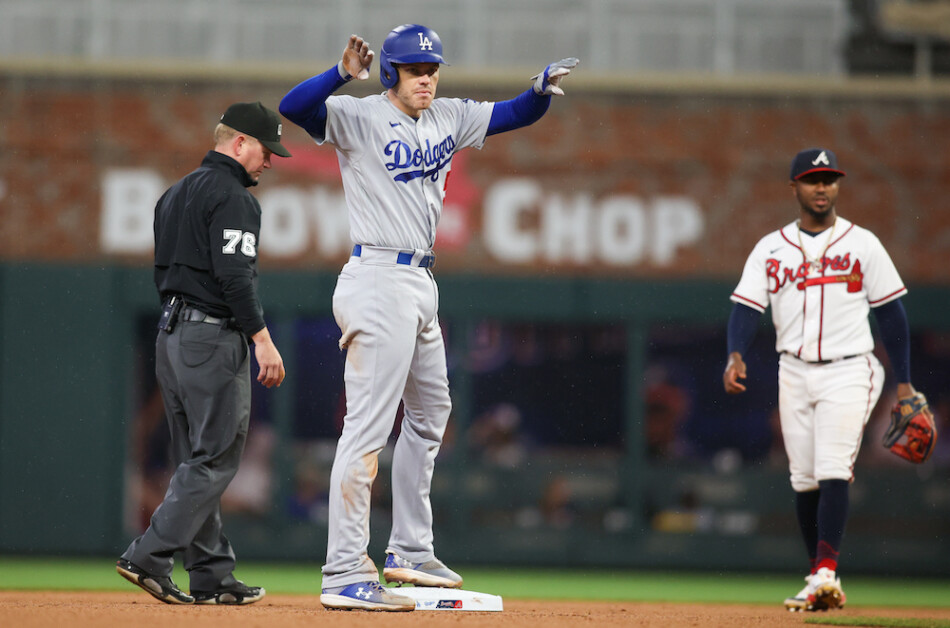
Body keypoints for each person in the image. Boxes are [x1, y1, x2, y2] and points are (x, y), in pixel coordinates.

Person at [279, 25, 577, 611]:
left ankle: (409, 549)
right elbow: (293, 108)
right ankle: (342, 570)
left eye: (432, 68)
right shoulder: (360, 116)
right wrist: (340, 73)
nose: (426, 78)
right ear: (389, 72)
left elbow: (512, 114)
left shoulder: (448, 115)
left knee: (431, 414)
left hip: (419, 280)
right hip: (376, 275)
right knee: (367, 427)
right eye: (415, 69)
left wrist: (538, 91)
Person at [723, 148, 919, 612]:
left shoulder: (863, 244)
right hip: (792, 369)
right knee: (804, 479)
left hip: (851, 367)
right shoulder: (771, 248)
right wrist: (734, 353)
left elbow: (892, 315)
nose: (822, 187)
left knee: (832, 468)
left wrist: (907, 383)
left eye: (830, 179)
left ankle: (826, 572)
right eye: (813, 180)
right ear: (794, 187)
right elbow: (746, 308)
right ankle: (819, 578)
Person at [116, 101, 290, 606]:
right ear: (238, 143)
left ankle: (212, 574)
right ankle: (148, 555)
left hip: (171, 337)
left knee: (196, 460)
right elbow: (234, 277)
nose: (270, 160)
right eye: (265, 149)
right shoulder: (233, 197)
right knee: (215, 458)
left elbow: (166, 272)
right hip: (210, 338)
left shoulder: (174, 193)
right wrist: (262, 339)